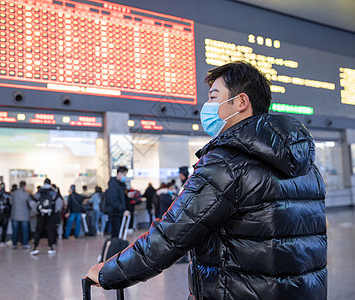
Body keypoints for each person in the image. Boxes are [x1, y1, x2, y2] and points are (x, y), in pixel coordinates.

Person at [86, 61, 327, 299]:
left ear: (241, 102)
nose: (207, 106)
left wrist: (110, 273)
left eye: (213, 97)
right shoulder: (307, 166)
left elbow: (171, 234)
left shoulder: (226, 162)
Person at [30, 178, 62, 255]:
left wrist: (36, 211)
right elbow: (59, 202)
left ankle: (35, 247)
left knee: (38, 230)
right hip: (50, 215)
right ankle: (51, 247)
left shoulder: (39, 192)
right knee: (50, 230)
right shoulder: (53, 192)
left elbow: (32, 202)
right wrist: (55, 210)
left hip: (40, 215)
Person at [106, 166, 130, 238]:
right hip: (115, 213)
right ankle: (115, 248)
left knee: (119, 234)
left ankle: (117, 247)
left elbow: (121, 198)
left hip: (120, 213)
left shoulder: (121, 185)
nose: (125, 177)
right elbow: (113, 200)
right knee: (116, 234)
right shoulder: (113, 184)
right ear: (119, 173)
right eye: (124, 175)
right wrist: (123, 210)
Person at [10, 181, 33, 249]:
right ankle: (25, 244)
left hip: (15, 215)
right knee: (25, 231)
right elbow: (30, 204)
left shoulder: (13, 194)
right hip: (24, 215)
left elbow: (11, 202)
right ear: (25, 186)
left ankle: (14, 244)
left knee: (15, 231)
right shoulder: (26, 194)